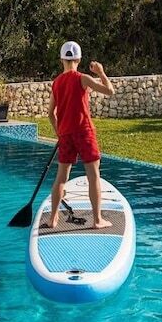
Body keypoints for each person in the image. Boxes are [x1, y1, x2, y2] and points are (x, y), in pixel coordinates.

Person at [47, 40, 115, 229]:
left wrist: (59, 133)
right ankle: (97, 220)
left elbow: (50, 113)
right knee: (93, 176)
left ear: (62, 59)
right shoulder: (83, 79)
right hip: (84, 132)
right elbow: (110, 91)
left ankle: (53, 219)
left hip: (66, 135)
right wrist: (101, 73)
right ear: (79, 59)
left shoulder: (56, 83)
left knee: (61, 178)